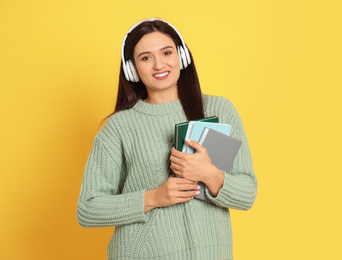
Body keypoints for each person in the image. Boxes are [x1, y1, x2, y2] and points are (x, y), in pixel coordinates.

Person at [77, 18, 257, 260]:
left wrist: (209, 174)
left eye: (166, 52)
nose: (158, 64)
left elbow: (247, 194)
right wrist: (153, 197)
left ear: (181, 57)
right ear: (132, 69)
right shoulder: (119, 127)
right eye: (145, 57)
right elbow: (88, 208)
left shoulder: (218, 110)